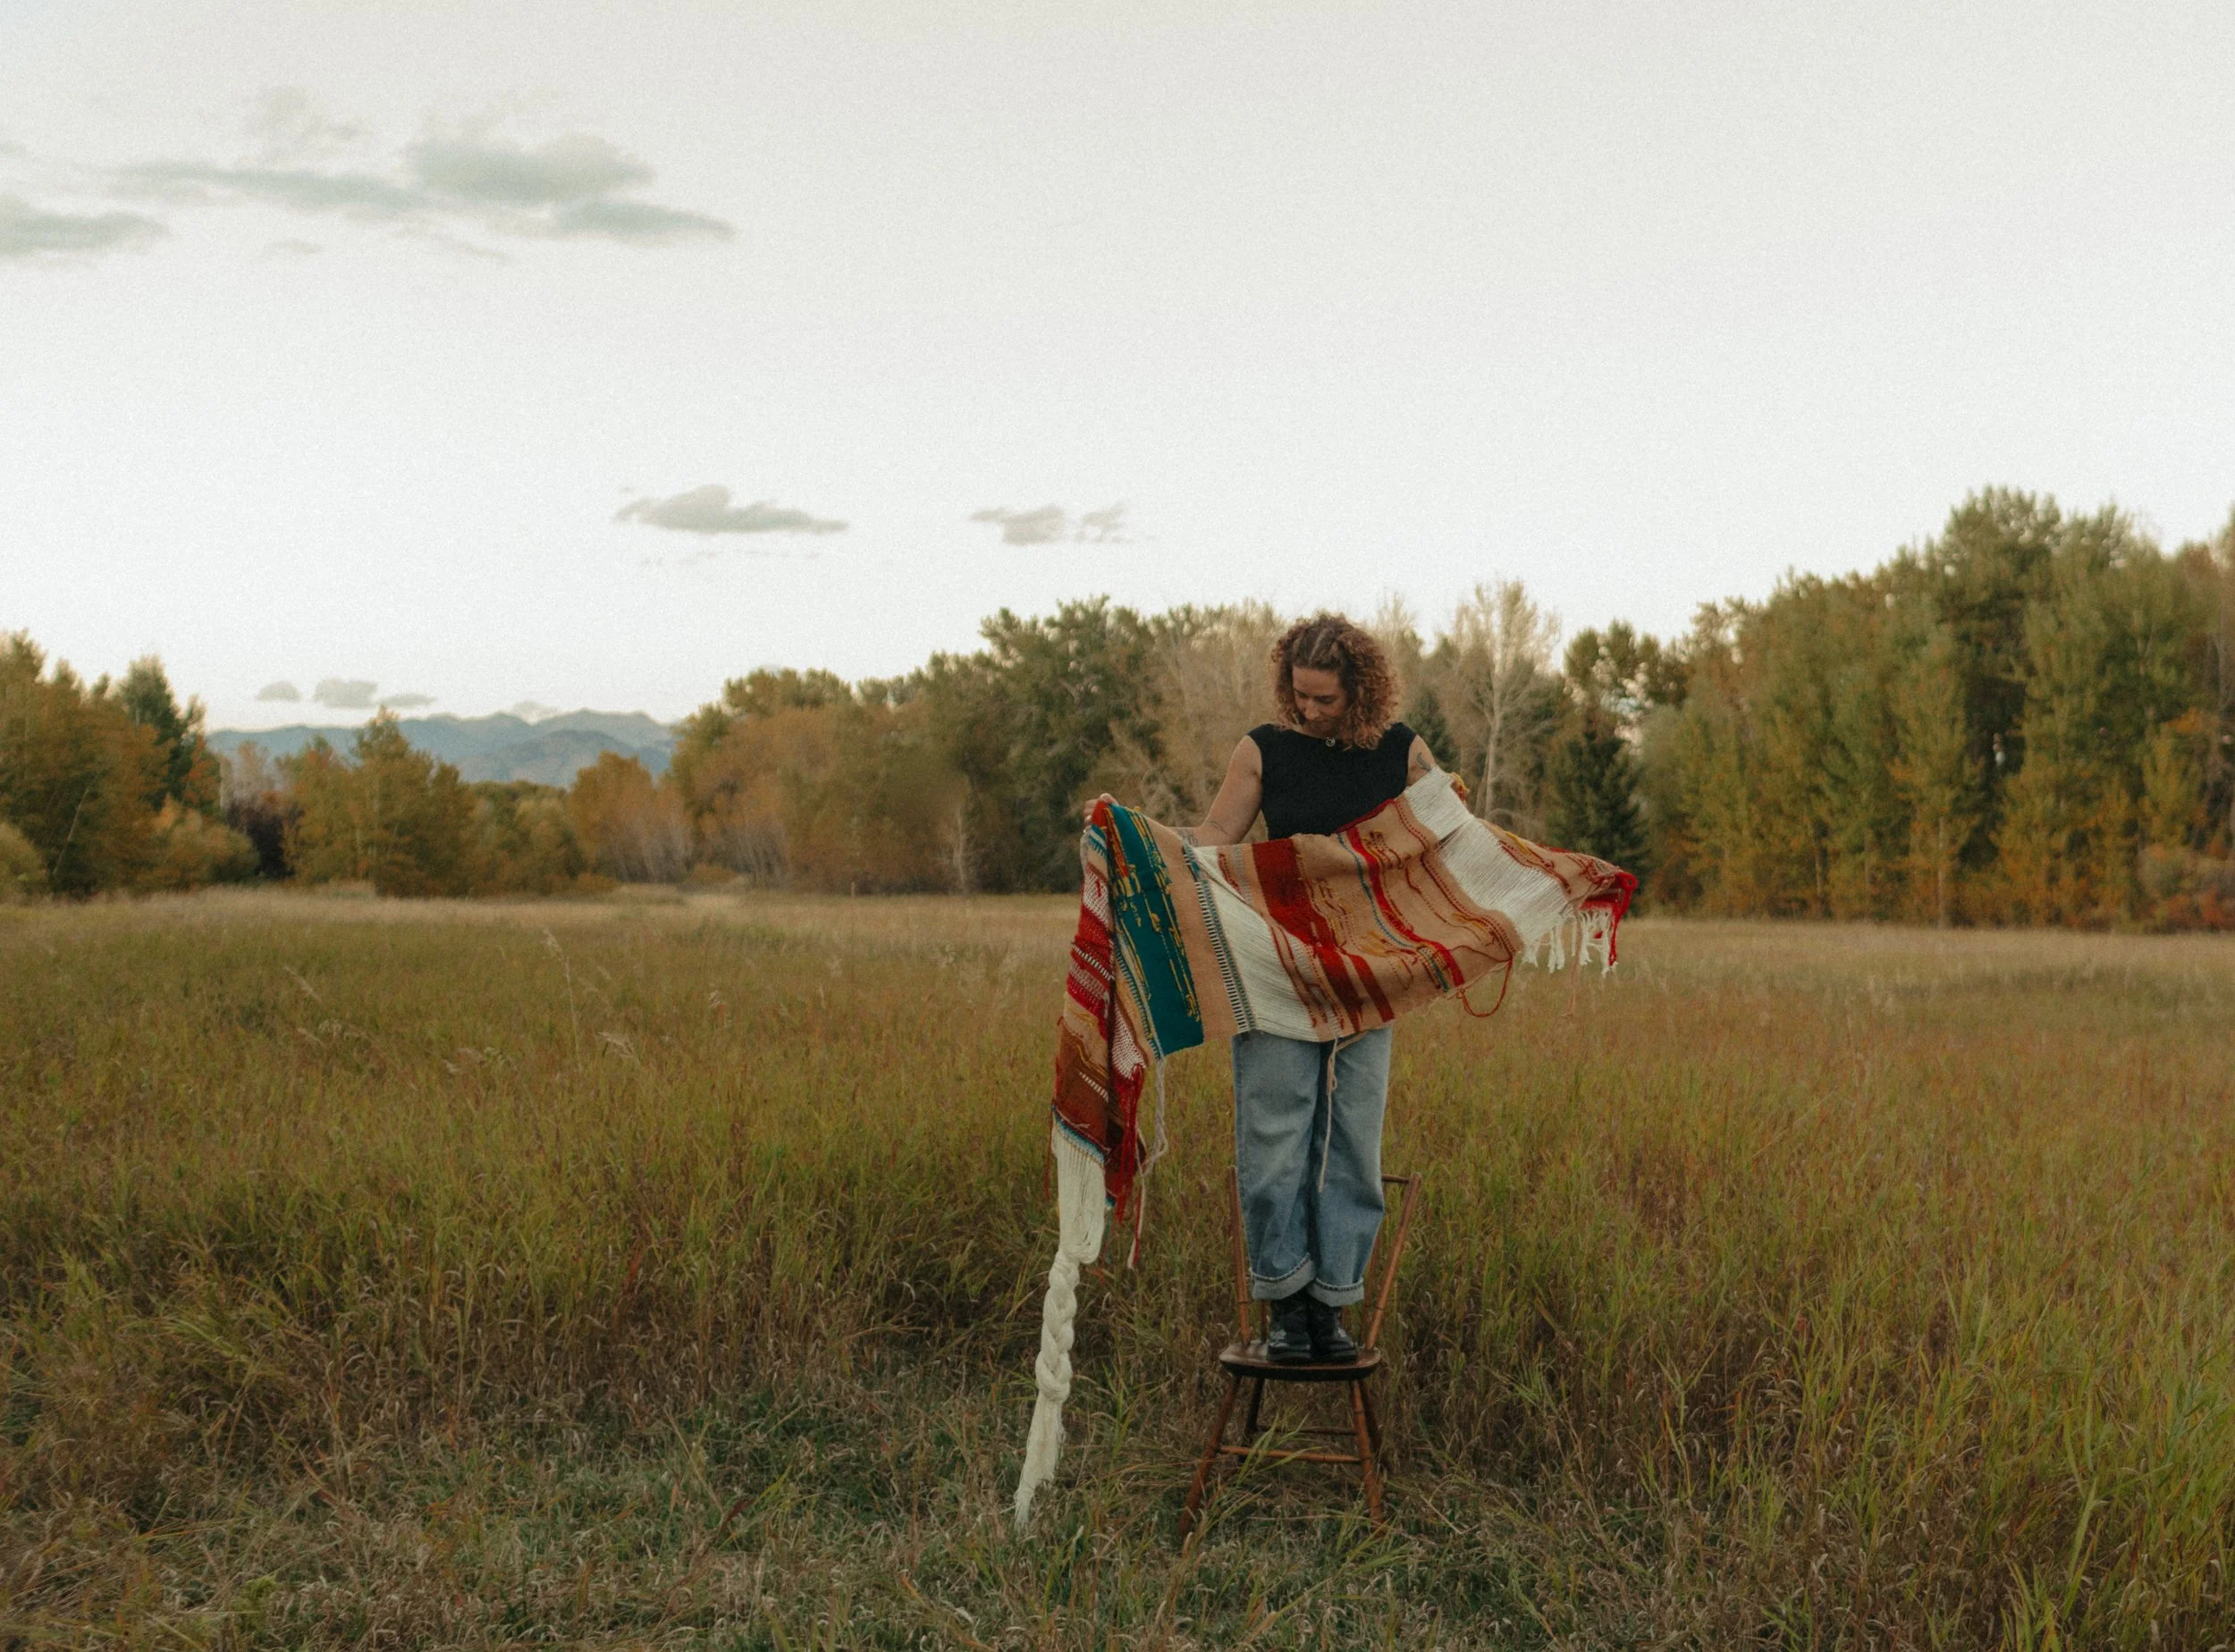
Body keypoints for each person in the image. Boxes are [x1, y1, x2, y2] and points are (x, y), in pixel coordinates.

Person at [1095, 613, 1436, 1362]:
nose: (1307, 711)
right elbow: (1218, 836)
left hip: (1369, 975)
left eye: (1324, 700)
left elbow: (1444, 837)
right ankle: (1285, 1298)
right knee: (1275, 1136)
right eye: (1299, 695)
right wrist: (1139, 837)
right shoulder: (1264, 748)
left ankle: (1333, 1304)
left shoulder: (1403, 753)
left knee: (1351, 1140)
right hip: (1275, 966)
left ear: (1361, 693)